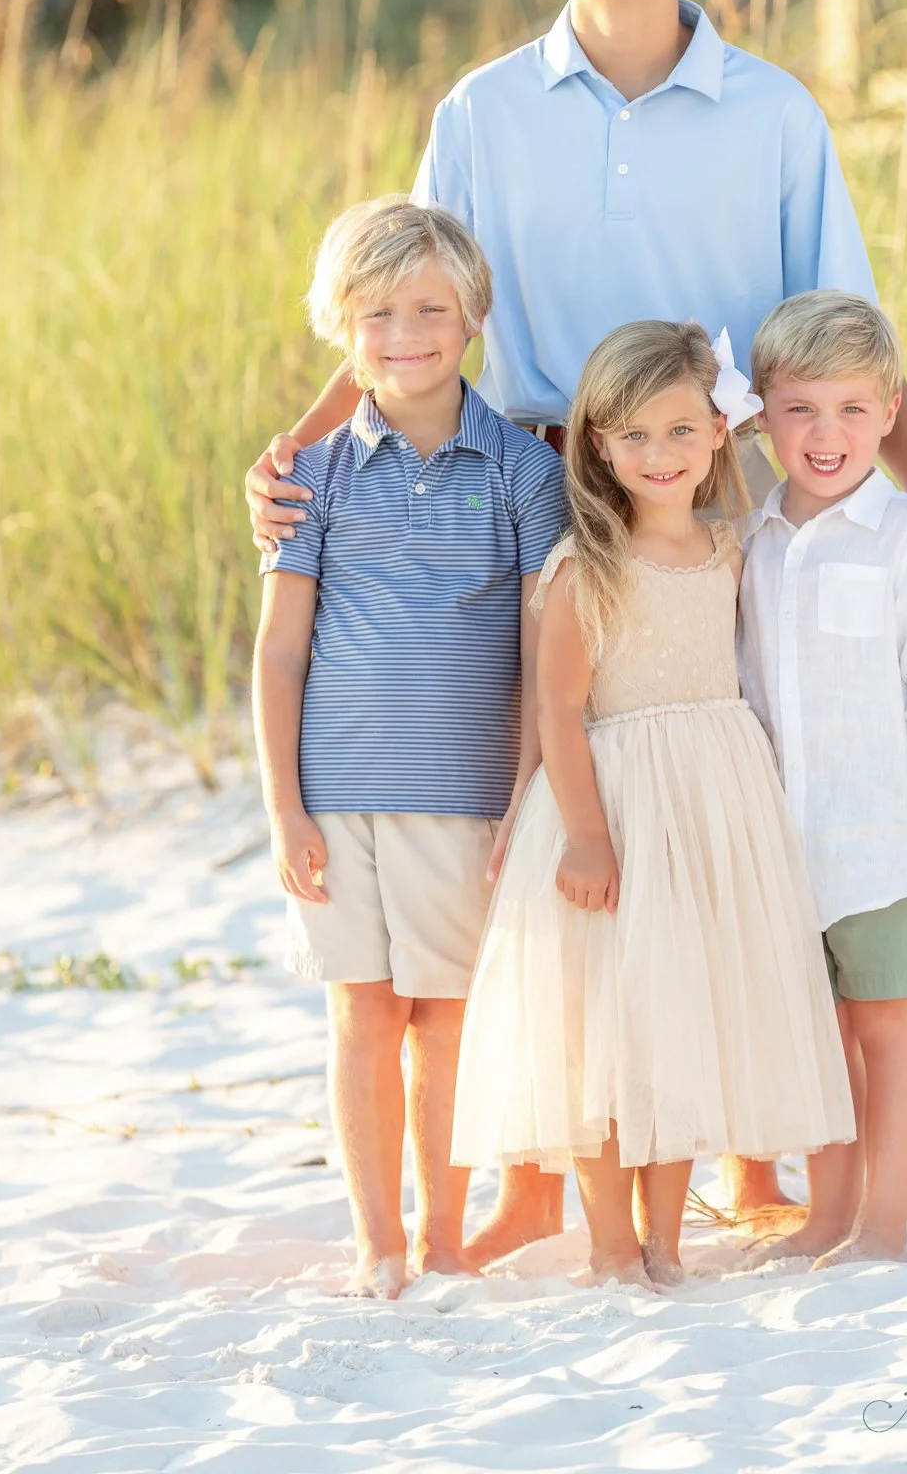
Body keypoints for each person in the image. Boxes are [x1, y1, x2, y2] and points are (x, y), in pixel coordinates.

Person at [244, 0, 907, 1249]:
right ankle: (538, 1169)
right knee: (550, 809)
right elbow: (411, 299)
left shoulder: (770, 110)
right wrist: (301, 442)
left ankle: (752, 1155)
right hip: (523, 484)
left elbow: (847, 326)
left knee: (728, 799)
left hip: (710, 487)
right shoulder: (484, 109)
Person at [450, 321, 856, 1287]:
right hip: (612, 803)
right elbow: (555, 704)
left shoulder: (730, 549)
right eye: (633, 435)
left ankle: (667, 1240)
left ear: (721, 433)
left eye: (680, 431)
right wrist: (586, 837)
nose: (658, 454)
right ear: (596, 444)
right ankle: (609, 1243)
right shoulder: (582, 565)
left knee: (678, 1022)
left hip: (713, 809)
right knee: (602, 1032)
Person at [251, 197, 567, 1297]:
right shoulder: (314, 477)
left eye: (431, 306)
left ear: (473, 315)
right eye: (377, 311)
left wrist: (529, 789)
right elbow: (279, 654)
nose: (405, 331)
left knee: (444, 1019)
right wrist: (284, 805)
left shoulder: (526, 476)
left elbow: (542, 655)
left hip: (464, 796)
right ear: (341, 326)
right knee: (360, 1014)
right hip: (334, 796)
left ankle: (443, 1232)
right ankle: (376, 1238)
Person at [737, 292, 907, 1263]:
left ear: (889, 412)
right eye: (798, 408)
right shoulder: (751, 537)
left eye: (849, 408)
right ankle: (827, 1215)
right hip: (781, 843)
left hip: (879, 837)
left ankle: (883, 1224)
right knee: (817, 1037)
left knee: (884, 1024)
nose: (824, 433)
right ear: (758, 416)